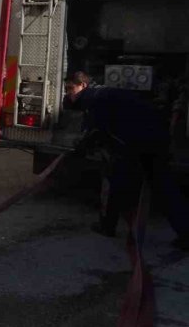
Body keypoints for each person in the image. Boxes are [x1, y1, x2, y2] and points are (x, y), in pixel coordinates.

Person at [65, 71, 189, 249]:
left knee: (113, 180)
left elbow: (95, 131)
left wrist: (79, 149)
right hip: (154, 138)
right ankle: (185, 232)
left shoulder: (92, 98)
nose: (69, 93)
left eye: (71, 89)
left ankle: (107, 226)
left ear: (83, 85)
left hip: (140, 142)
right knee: (163, 186)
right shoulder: (102, 93)